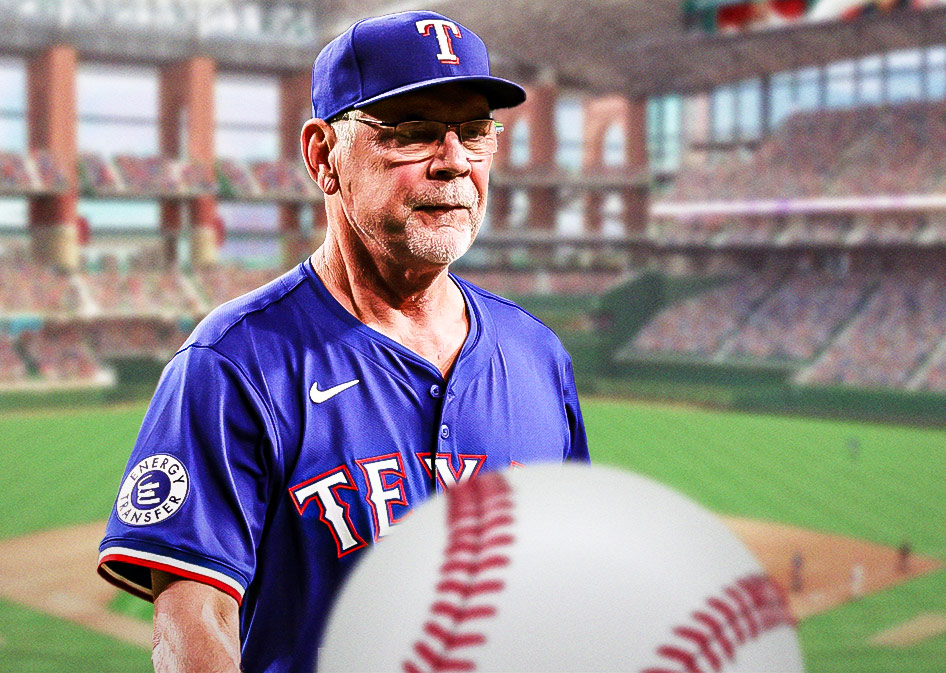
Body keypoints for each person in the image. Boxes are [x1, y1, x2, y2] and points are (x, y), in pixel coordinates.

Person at [96, 10, 589, 673]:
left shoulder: (537, 356)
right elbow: (195, 625)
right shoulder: (235, 362)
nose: (454, 162)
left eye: (475, 132)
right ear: (322, 155)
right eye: (412, 134)